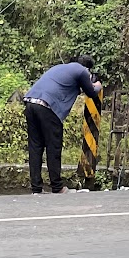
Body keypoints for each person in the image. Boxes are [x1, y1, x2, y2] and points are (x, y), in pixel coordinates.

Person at [22, 56, 102, 194]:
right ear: (88, 69)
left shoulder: (61, 68)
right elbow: (91, 92)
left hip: (30, 102)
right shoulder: (82, 71)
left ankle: (36, 188)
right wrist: (98, 85)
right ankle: (57, 187)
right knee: (53, 147)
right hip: (48, 106)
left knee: (35, 147)